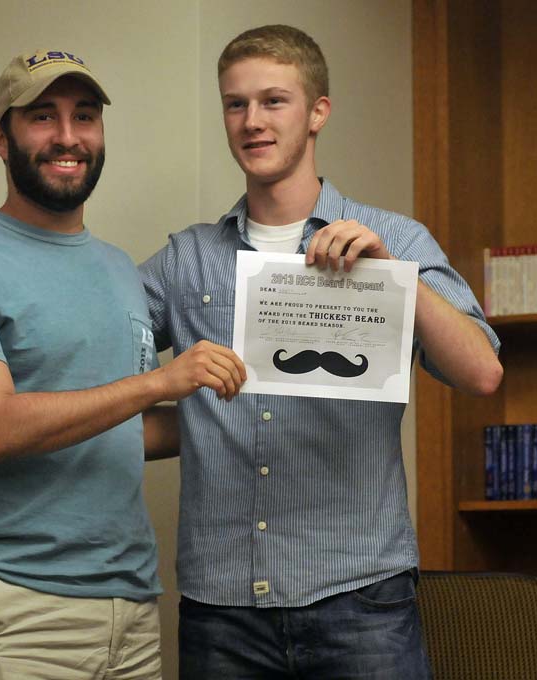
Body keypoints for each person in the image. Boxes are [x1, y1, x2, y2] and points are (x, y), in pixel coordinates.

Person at [140, 25, 503, 679]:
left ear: (317, 112)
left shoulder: (395, 237)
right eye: (235, 103)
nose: (252, 121)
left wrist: (394, 278)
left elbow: (481, 372)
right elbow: (100, 395)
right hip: (220, 610)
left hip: (363, 603)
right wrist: (177, 389)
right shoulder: (182, 262)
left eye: (274, 101)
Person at [0, 48, 245, 680]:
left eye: (85, 117)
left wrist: (250, 409)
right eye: (42, 117)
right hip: (15, 610)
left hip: (132, 609)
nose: (68, 137)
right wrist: (163, 381)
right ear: (0, 138)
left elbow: (117, 431)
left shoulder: (119, 269)